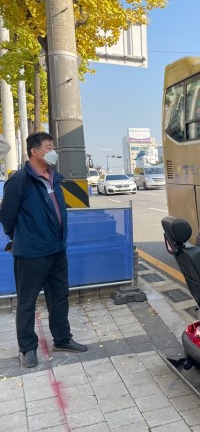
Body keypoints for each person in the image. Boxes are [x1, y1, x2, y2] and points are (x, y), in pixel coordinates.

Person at [0, 132, 88, 369]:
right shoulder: (19, 181)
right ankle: (28, 348)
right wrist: (21, 238)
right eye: (49, 147)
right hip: (31, 253)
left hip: (58, 250)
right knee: (27, 302)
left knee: (59, 297)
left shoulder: (54, 178)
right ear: (35, 152)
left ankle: (62, 339)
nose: (53, 152)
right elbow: (7, 217)